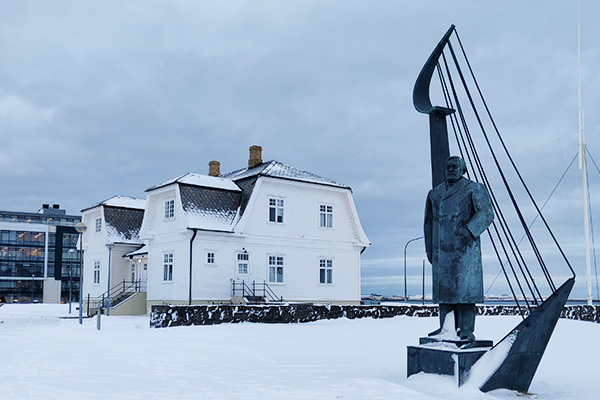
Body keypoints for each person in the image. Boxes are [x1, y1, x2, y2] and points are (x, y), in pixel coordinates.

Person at [424, 156, 494, 341]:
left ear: (463, 169)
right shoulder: (434, 194)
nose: (451, 169)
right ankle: (445, 329)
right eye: (448, 166)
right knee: (444, 293)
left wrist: (469, 229)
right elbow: (428, 223)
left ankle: (466, 330)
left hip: (465, 251)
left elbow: (487, 213)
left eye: (455, 166)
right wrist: (430, 249)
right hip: (442, 252)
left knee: (465, 292)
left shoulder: (473, 188)